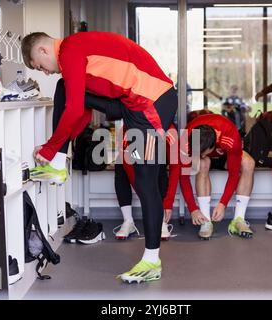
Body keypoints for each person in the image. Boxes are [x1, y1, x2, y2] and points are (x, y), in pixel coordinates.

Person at [21, 31, 177, 283]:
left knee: (146, 184)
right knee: (63, 87)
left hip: (152, 103)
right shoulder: (75, 51)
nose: (46, 72)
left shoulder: (70, 51)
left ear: (43, 51)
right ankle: (59, 164)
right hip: (131, 104)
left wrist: (49, 148)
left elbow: (72, 110)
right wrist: (58, 148)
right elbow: (80, 110)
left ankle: (152, 260)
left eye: (41, 67)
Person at [179, 114, 256, 239]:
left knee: (248, 163)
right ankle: (205, 221)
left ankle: (238, 219)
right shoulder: (185, 140)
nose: (201, 155)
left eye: (203, 152)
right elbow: (183, 177)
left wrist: (222, 204)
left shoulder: (230, 135)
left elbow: (233, 175)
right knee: (203, 162)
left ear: (212, 145)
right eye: (199, 152)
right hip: (206, 154)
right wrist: (193, 209)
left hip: (225, 154)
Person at [113, 123, 179, 241]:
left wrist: (168, 204)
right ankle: (128, 221)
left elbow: (175, 168)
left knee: (159, 165)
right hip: (132, 160)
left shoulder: (169, 131)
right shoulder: (127, 130)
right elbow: (128, 165)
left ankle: (161, 220)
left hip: (160, 157)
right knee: (120, 165)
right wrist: (145, 195)